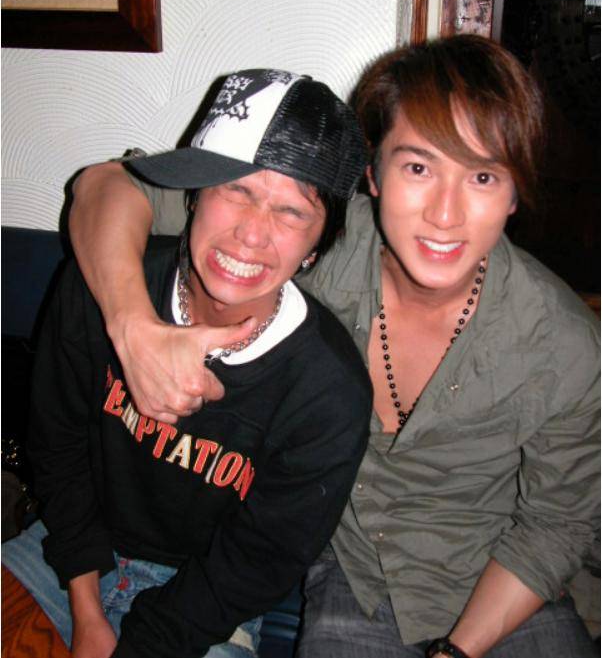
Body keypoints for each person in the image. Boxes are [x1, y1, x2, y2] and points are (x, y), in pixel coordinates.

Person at [66, 36, 599, 658]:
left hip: (501, 592)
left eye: (482, 177)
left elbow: (555, 525)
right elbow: (104, 186)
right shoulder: (307, 234)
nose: (445, 214)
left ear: (514, 195)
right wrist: (133, 328)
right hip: (353, 582)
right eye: (419, 168)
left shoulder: (564, 346)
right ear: (373, 173)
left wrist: (455, 653)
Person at [2, 69, 373, 658]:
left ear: (316, 247)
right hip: (67, 554)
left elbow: (257, 562)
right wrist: (87, 611)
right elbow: (58, 446)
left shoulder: (329, 389)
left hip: (202, 602)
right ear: (193, 194)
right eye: (236, 190)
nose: (252, 234)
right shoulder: (101, 288)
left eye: (291, 212)